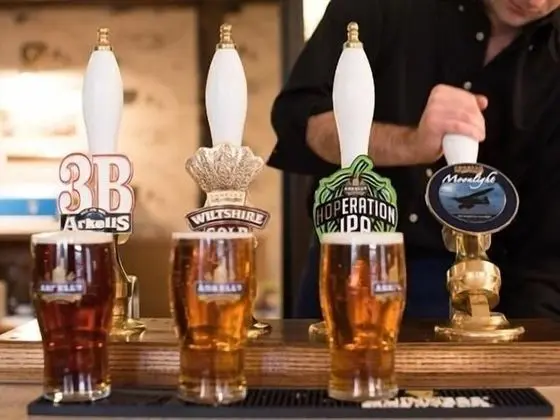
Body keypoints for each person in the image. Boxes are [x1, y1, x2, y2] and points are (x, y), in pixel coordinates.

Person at [268, 0, 560, 320]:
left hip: (500, 286)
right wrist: (410, 144)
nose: (534, 2)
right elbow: (302, 119)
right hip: (352, 259)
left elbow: (547, 246)